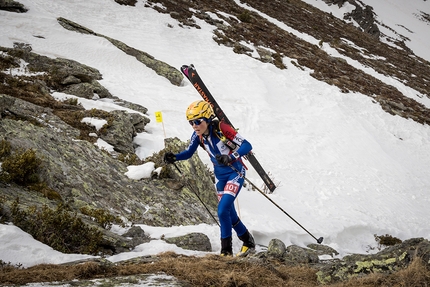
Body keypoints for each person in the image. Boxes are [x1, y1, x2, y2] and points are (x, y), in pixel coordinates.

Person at [163, 100, 255, 256]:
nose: (194, 125)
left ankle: (226, 252)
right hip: (220, 177)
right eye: (191, 122)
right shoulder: (197, 135)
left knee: (222, 210)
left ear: (207, 119)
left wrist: (231, 157)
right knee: (229, 214)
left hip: (235, 172)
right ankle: (248, 241)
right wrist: (175, 157)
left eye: (198, 121)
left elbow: (247, 145)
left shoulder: (221, 128)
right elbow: (188, 153)